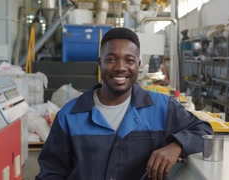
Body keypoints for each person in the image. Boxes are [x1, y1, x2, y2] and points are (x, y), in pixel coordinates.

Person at [36, 27, 213, 180]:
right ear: (100, 63)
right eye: (111, 59)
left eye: (129, 60)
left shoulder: (161, 108)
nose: (120, 67)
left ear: (138, 64)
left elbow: (204, 132)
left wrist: (177, 145)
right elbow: (51, 172)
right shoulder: (69, 116)